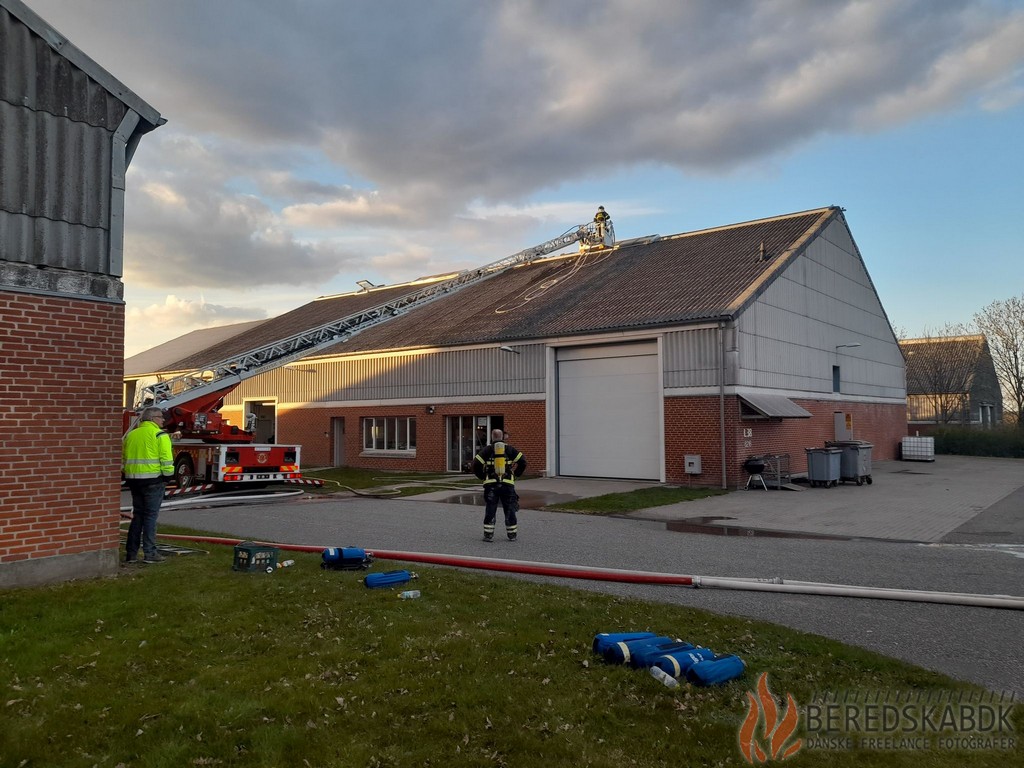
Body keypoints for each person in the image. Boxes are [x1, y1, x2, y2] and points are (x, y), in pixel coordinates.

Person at [122, 406, 175, 564]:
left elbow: (125, 458)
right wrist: (168, 477)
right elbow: (166, 459)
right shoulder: (160, 435)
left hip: (134, 481)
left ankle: (131, 554)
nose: (163, 420)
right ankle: (150, 553)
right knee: (150, 517)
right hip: (153, 481)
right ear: (152, 419)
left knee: (137, 516)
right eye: (161, 417)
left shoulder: (131, 435)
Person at [473, 429, 526, 541]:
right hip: (507, 485)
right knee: (510, 508)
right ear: (503, 437)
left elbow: (475, 464)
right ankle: (512, 535)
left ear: (492, 437)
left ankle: (488, 534)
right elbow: (522, 461)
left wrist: (483, 476)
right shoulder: (510, 449)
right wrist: (516, 474)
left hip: (491, 485)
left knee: (491, 508)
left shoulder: (487, 450)